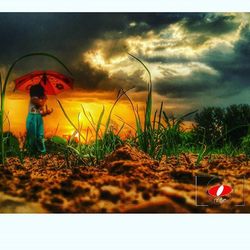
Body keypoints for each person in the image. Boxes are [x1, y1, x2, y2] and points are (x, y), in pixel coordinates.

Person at [26, 83, 53, 154]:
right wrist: (44, 99)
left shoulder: (39, 101)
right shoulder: (33, 99)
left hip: (38, 118)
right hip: (32, 118)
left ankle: (42, 151)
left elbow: (41, 113)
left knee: (40, 135)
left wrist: (47, 112)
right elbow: (40, 103)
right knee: (32, 135)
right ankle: (31, 151)